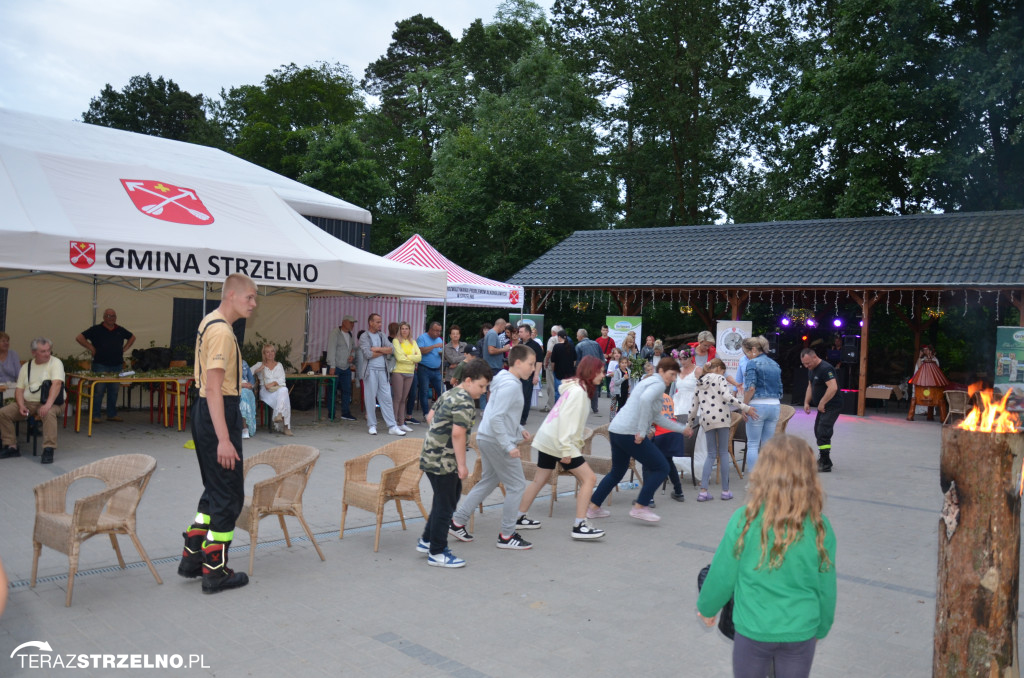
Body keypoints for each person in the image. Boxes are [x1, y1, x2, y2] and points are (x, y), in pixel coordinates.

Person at [697, 435, 837, 678]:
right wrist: (822, 627)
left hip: (753, 630)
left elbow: (723, 574)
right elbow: (826, 586)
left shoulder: (744, 520)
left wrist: (707, 608)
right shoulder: (820, 526)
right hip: (801, 631)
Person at [176, 273, 257, 593]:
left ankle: (192, 556)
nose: (253, 304)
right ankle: (215, 570)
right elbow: (213, 387)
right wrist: (224, 439)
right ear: (232, 295)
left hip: (207, 412)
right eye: (249, 297)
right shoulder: (222, 331)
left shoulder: (209, 321)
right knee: (228, 496)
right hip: (218, 411)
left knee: (214, 489)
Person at [449, 344, 536, 550]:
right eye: (531, 364)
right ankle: (507, 535)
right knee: (516, 485)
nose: (533, 368)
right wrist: (508, 444)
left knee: (488, 481)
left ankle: (457, 521)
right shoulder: (511, 385)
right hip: (497, 440)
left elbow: (502, 412)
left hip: (487, 437)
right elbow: (497, 416)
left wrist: (519, 427)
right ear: (517, 363)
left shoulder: (503, 378)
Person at [587, 357, 689, 523]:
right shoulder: (658, 384)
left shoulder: (648, 383)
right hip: (629, 433)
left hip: (616, 429)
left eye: (675, 375)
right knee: (662, 467)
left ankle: (593, 508)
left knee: (617, 472)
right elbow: (644, 401)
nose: (673, 378)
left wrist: (681, 428)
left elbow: (657, 416)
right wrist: (642, 431)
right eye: (671, 374)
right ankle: (641, 506)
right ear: (661, 371)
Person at [517, 356, 607, 540]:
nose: (604, 375)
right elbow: (567, 422)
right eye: (602, 371)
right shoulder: (579, 393)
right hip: (559, 442)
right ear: (592, 371)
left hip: (549, 438)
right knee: (589, 478)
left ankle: (518, 517)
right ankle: (580, 525)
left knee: (539, 480)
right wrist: (566, 451)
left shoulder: (574, 388)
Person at [416, 360, 493, 568]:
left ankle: (427, 540)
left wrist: (439, 436)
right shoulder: (465, 401)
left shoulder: (449, 393)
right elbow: (458, 434)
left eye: (486, 387)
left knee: (445, 500)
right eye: (481, 386)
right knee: (446, 504)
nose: (484, 391)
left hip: (430, 455)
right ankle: (438, 552)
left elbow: (430, 417)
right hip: (444, 461)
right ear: (468, 381)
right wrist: (462, 465)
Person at [688, 358, 758, 502]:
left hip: (707, 421)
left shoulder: (699, 382)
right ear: (719, 368)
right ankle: (725, 491)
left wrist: (689, 424)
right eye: (724, 371)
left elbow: (693, 407)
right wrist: (746, 407)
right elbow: (727, 397)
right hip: (722, 418)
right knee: (723, 453)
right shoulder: (720, 379)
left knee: (711, 454)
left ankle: (703, 491)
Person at [0, 337, 64, 463]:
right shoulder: (26, 367)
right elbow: (19, 390)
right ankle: (11, 446)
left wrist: (47, 404)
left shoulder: (55, 363)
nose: (47, 354)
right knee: (3, 413)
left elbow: (56, 384)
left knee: (49, 412)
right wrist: (21, 404)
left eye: (48, 350)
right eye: (43, 351)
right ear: (34, 353)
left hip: (53, 402)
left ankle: (48, 448)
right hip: (30, 402)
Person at [75, 308, 135, 422]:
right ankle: (95, 416)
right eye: (108, 316)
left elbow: (132, 337)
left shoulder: (120, 330)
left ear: (116, 317)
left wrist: (125, 349)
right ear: (104, 317)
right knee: (98, 391)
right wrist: (91, 347)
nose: (111, 318)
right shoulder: (96, 329)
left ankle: (111, 414)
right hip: (100, 365)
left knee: (114, 391)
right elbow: (79, 337)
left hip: (117, 365)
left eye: (113, 316)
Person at [359, 313, 406, 437]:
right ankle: (372, 425)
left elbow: (391, 349)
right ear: (371, 322)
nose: (380, 324)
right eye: (378, 322)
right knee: (370, 397)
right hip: (370, 370)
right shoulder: (364, 336)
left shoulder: (382, 335)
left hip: (383, 371)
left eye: (380, 322)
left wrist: (376, 349)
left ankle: (392, 426)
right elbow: (368, 354)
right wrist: (383, 350)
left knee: (386, 398)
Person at [742, 336, 783, 472]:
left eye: (746, 352)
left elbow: (750, 388)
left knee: (753, 444)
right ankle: (767, 480)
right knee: (768, 444)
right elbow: (780, 388)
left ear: (753, 349)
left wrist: (744, 406)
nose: (746, 356)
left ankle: (754, 482)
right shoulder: (775, 364)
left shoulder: (752, 363)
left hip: (757, 405)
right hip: (775, 405)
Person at [801, 348, 842, 472]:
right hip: (822, 406)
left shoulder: (826, 368)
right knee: (817, 430)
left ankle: (825, 463)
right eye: (804, 364)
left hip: (832, 405)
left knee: (823, 430)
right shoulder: (811, 370)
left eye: (808, 363)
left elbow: (833, 388)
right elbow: (810, 386)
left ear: (815, 357)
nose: (807, 366)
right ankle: (824, 458)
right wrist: (806, 402)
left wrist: (822, 402)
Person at [251, 344, 292, 436]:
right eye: (267, 352)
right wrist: (258, 370)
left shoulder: (279, 365)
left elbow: (282, 380)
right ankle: (286, 427)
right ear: (264, 354)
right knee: (284, 395)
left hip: (277, 390)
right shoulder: (259, 364)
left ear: (275, 353)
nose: (270, 354)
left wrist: (272, 383)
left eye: (272, 351)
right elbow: (247, 372)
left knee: (284, 390)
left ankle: (279, 414)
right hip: (265, 392)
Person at [391, 321, 421, 432]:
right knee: (397, 398)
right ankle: (393, 422)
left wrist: (407, 356)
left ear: (409, 330)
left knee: (404, 398)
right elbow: (399, 357)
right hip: (398, 371)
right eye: (402, 328)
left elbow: (419, 357)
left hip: (410, 372)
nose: (404, 330)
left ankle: (401, 422)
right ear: (399, 330)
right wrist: (412, 358)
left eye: (406, 329)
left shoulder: (413, 341)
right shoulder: (396, 341)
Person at [327, 314, 358, 421]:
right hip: (336, 367)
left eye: (353, 323)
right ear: (344, 322)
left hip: (346, 367)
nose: (352, 325)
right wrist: (332, 366)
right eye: (351, 322)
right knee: (333, 391)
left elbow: (353, 348)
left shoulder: (350, 334)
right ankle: (331, 413)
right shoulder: (335, 333)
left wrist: (352, 356)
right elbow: (331, 350)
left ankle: (345, 412)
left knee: (347, 390)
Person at [416, 321, 445, 416]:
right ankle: (426, 414)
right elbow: (420, 351)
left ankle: (443, 413)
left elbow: (440, 352)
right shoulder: (422, 338)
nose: (438, 333)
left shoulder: (439, 340)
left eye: (440, 331)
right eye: (436, 331)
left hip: (436, 370)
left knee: (442, 392)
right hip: (424, 369)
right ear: (431, 329)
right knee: (424, 392)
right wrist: (434, 346)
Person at [519, 324, 544, 426]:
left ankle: (523, 418)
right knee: (518, 396)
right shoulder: (520, 344)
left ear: (528, 333)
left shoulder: (535, 346)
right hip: (518, 374)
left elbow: (539, 361)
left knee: (525, 396)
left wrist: (536, 375)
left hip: (529, 375)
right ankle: (516, 416)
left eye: (521, 332)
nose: (519, 333)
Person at [575, 329, 604, 414]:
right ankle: (595, 408)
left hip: (585, 370)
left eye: (577, 335)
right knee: (594, 388)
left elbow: (577, 361)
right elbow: (602, 357)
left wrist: (577, 371)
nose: (577, 337)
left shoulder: (579, 346)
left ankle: (583, 407)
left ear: (581, 336)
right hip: (596, 369)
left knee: (583, 388)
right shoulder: (596, 343)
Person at [550, 330, 577, 401]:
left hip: (559, 372)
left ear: (559, 337)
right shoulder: (571, 346)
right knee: (567, 392)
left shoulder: (556, 346)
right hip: (569, 373)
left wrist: (553, 370)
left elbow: (553, 361)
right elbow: (574, 360)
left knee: (558, 391)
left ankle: (558, 408)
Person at [542, 325, 563, 412]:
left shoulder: (552, 339)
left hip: (551, 364)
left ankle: (550, 405)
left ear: (553, 332)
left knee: (551, 385)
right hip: (561, 364)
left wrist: (546, 361)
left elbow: (549, 351)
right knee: (559, 385)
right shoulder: (564, 340)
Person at [609, 355, 633, 420]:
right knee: (620, 405)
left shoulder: (628, 371)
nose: (624, 364)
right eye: (622, 363)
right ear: (619, 363)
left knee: (624, 405)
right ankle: (617, 419)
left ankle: (622, 419)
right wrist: (623, 378)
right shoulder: (617, 371)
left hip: (625, 390)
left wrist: (629, 386)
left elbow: (629, 379)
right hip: (619, 391)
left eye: (625, 363)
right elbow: (616, 383)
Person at [595, 325, 616, 397]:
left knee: (608, 377)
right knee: (599, 376)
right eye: (603, 330)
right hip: (599, 361)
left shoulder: (611, 340)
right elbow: (595, 350)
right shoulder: (597, 340)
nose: (604, 332)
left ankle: (608, 392)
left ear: (608, 331)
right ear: (601, 331)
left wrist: (608, 355)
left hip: (608, 361)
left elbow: (614, 351)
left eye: (606, 330)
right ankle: (598, 391)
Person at [239, 360, 257, 440]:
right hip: (232, 388)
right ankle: (244, 427)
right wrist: (241, 385)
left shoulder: (244, 363)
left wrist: (251, 385)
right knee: (243, 394)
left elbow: (251, 378)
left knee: (245, 393)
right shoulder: (226, 362)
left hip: (246, 388)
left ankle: (246, 427)